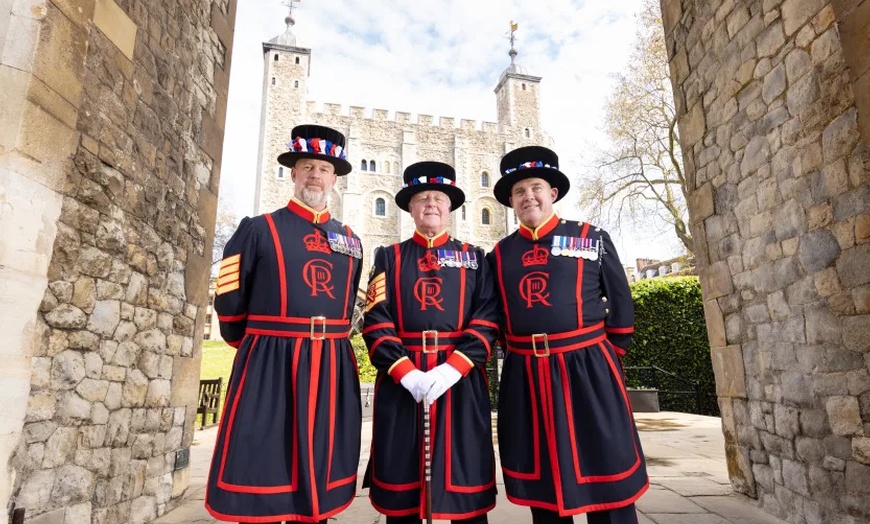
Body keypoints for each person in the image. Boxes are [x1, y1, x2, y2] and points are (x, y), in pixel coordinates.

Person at [205, 125, 363, 524]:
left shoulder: (350, 239)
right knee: (262, 455)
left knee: (320, 457)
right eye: (307, 166)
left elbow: (348, 302)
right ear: (292, 173)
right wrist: (259, 346)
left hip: (329, 362)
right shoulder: (258, 228)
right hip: (269, 358)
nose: (315, 175)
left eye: (324, 169)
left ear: (334, 178)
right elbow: (229, 299)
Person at [487, 146, 648, 524]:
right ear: (511, 201)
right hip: (526, 376)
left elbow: (621, 305)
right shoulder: (498, 254)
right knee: (544, 480)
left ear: (553, 193)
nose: (529, 196)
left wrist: (607, 356)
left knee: (606, 470)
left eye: (536, 187)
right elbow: (493, 315)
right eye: (519, 191)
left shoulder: (591, 238)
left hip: (588, 371)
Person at [362, 161, 499, 524]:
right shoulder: (387, 258)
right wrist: (405, 372)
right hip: (401, 383)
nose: (431, 205)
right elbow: (375, 319)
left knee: (465, 488)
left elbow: (487, 319)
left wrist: (453, 369)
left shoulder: (475, 258)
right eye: (422, 198)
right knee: (402, 488)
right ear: (410, 208)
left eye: (438, 198)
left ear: (450, 206)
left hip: (460, 383)